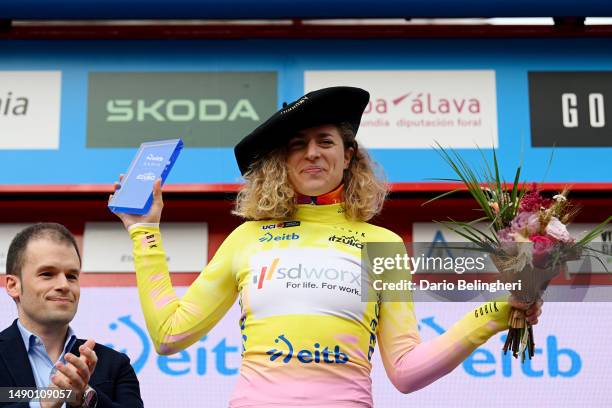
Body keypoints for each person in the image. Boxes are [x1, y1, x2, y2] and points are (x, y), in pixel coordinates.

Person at [112, 87, 542, 407]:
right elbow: (169, 336)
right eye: (297, 145)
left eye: (324, 141)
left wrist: (499, 311)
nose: (311, 154)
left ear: (349, 154)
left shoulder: (383, 244)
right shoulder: (248, 238)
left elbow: (407, 372)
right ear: (283, 160)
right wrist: (144, 232)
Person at [0, 223, 144, 408]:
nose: (64, 285)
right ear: (13, 286)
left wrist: (85, 399)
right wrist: (41, 403)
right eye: (47, 274)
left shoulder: (114, 365)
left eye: (71, 276)